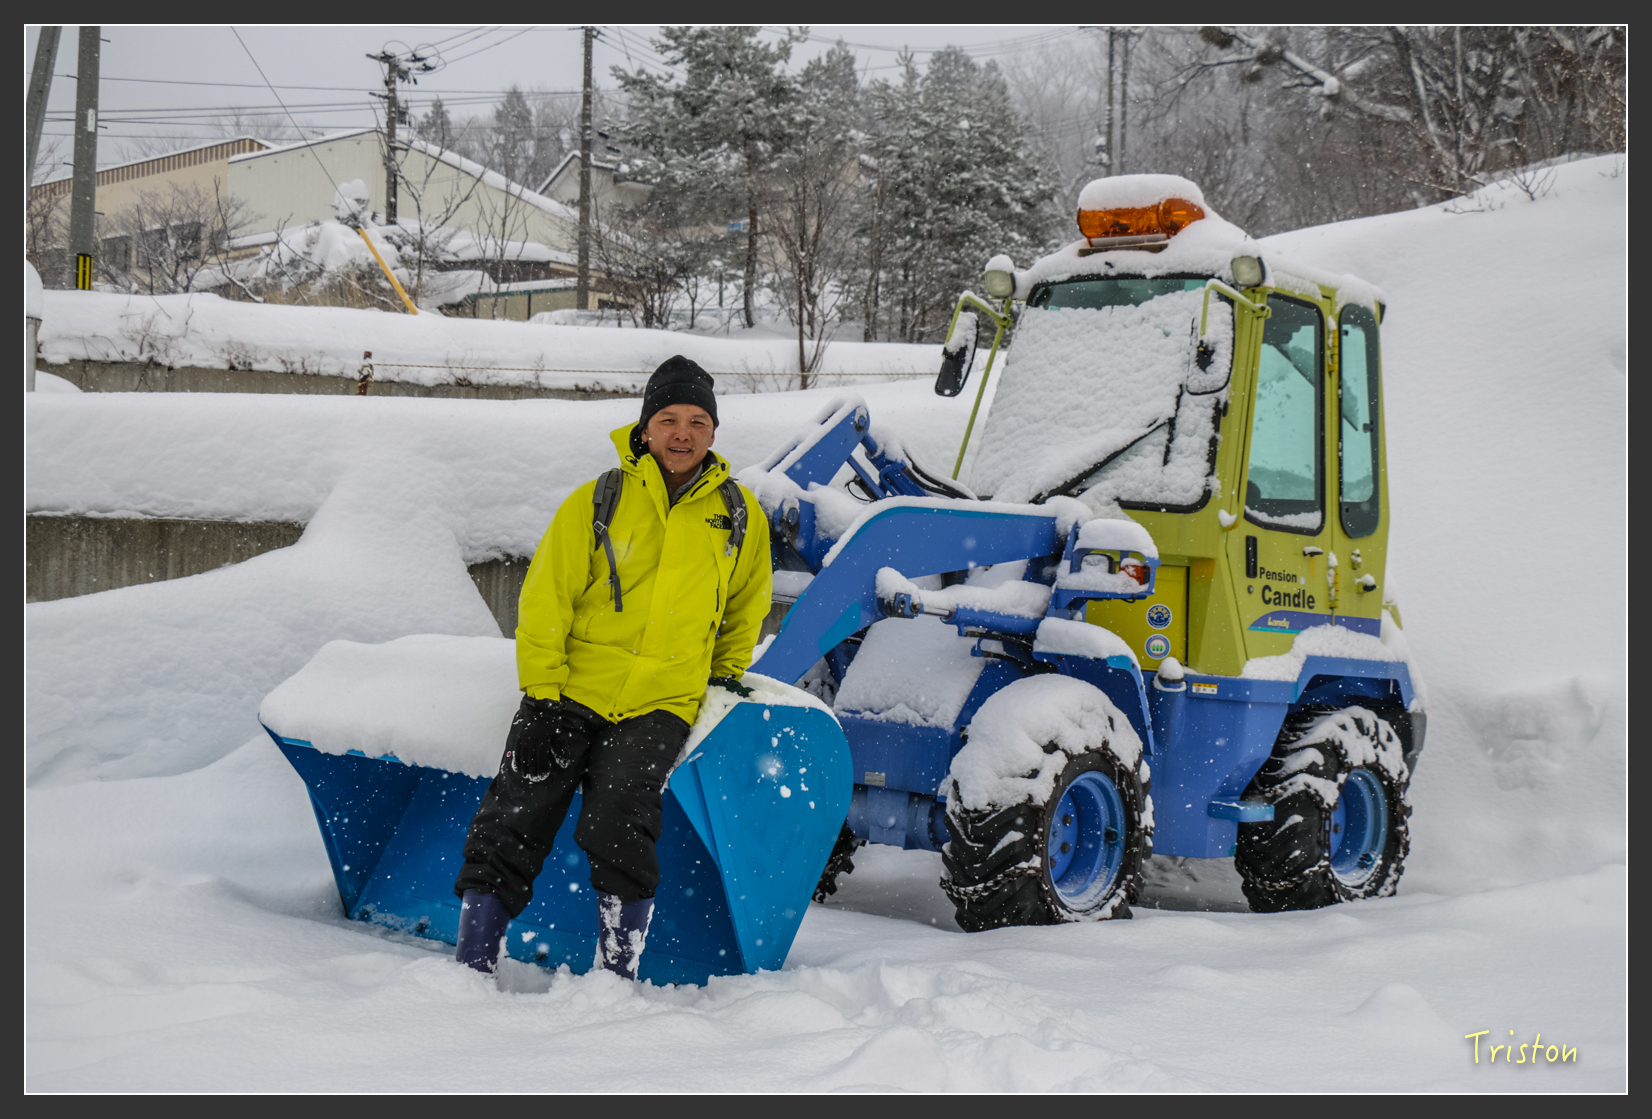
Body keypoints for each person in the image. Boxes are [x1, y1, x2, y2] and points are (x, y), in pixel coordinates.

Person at [452, 355, 771, 980]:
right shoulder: (601, 498)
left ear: (713, 432)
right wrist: (542, 694)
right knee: (515, 818)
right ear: (645, 429)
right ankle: (473, 962)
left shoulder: (737, 514)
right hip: (569, 692)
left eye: (698, 420)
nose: (683, 433)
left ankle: (614, 975)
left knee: (621, 829)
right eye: (669, 418)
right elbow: (547, 598)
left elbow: (745, 604)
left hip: (659, 703)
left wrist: (723, 680)